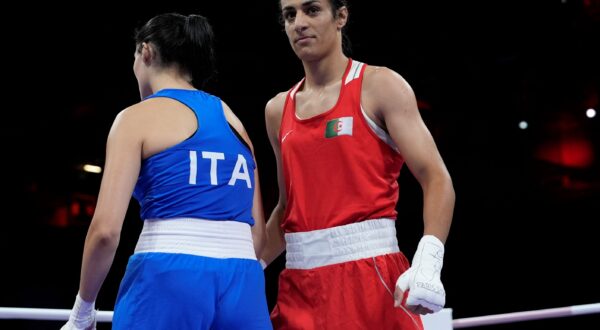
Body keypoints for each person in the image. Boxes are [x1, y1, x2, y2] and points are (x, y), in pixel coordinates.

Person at [61, 13, 272, 330]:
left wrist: (82, 312)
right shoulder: (235, 121)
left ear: (145, 51)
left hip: (168, 276)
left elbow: (105, 231)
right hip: (244, 282)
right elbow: (258, 236)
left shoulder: (136, 118)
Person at [260, 0, 455, 329]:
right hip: (300, 287)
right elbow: (286, 209)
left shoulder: (380, 86)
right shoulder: (278, 109)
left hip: (370, 277)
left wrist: (430, 258)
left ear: (341, 16)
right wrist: (245, 267)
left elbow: (436, 178)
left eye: (311, 10)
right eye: (289, 15)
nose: (299, 23)